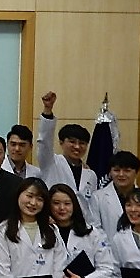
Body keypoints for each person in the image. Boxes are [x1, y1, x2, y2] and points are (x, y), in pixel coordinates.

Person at [37, 91, 98, 225]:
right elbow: (45, 142)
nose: (77, 146)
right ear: (61, 142)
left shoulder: (91, 175)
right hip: (53, 223)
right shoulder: (51, 162)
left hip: (81, 227)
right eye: (72, 142)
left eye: (82, 143)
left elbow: (91, 207)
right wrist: (48, 110)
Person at [91, 150, 140, 240]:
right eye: (116, 170)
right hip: (108, 247)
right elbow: (95, 230)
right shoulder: (98, 197)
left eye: (127, 170)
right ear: (110, 172)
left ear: (136, 173)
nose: (121, 174)